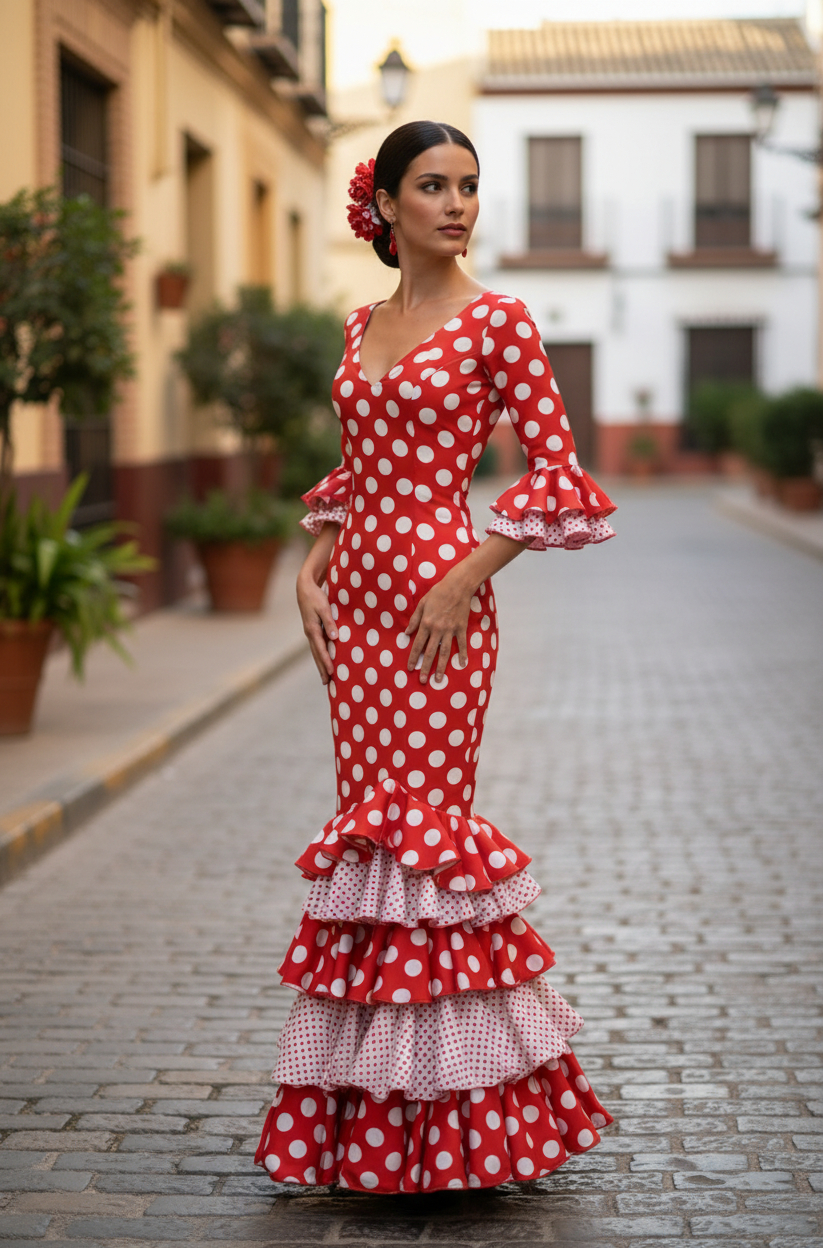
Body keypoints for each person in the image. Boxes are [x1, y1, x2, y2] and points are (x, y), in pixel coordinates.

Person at [254, 120, 615, 1194]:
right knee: (368, 846)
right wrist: (313, 566)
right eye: (431, 185)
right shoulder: (363, 322)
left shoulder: (499, 322)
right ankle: (374, 1114)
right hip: (354, 604)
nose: (456, 204)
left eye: (467, 185)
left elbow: (558, 474)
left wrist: (466, 576)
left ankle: (463, 1119)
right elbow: (355, 464)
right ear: (387, 207)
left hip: (435, 614)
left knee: (425, 840)